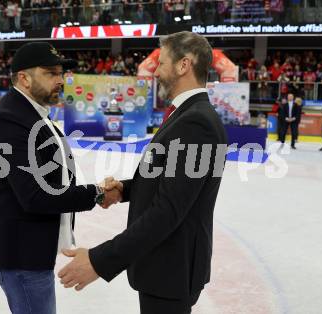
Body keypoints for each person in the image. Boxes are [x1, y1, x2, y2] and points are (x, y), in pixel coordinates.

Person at [58, 31, 228, 314]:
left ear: (183, 65)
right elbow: (163, 180)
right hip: (163, 268)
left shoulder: (196, 122)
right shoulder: (186, 114)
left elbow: (168, 209)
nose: (156, 72)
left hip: (171, 268)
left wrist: (99, 261)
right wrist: (123, 190)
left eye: (161, 63)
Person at [0, 42, 121, 314]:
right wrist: (98, 193)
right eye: (51, 73)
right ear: (24, 78)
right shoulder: (10, 119)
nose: (60, 80)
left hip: (30, 249)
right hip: (20, 255)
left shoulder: (35, 115)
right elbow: (35, 195)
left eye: (61, 73)